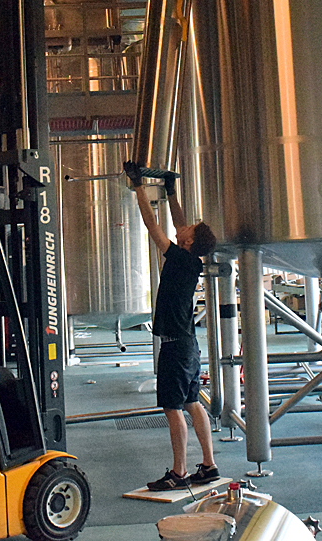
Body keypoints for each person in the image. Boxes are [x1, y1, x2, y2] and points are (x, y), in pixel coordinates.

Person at [124, 161, 220, 491]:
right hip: (188, 346)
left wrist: (139, 187)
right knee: (193, 403)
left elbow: (153, 226)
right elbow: (179, 224)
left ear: (189, 242)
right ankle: (208, 465)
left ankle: (179, 473)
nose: (183, 227)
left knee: (173, 408)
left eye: (189, 230)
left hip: (176, 347)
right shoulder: (191, 259)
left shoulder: (179, 259)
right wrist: (171, 193)